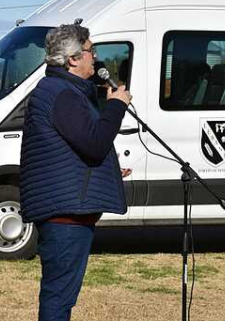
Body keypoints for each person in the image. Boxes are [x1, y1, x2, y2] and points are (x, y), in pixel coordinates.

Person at [20, 22, 132, 321]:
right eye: (90, 51)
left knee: (61, 297)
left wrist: (107, 171)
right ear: (72, 59)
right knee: (59, 299)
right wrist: (116, 107)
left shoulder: (60, 90)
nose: (94, 57)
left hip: (66, 212)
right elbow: (95, 143)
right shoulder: (62, 94)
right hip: (65, 217)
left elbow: (69, 149)